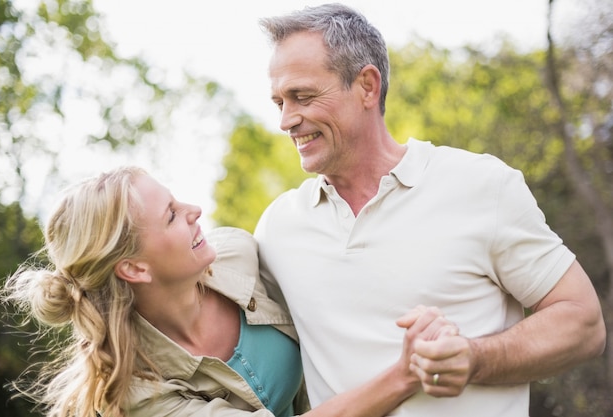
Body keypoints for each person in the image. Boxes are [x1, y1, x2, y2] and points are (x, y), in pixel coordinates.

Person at [254, 3, 607, 416]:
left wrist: (475, 359)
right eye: (279, 101)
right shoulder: (277, 229)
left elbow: (583, 323)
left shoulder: (480, 185)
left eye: (303, 96)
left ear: (367, 85)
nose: (286, 120)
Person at [0, 166, 457, 417]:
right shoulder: (138, 392)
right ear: (134, 268)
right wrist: (404, 374)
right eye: (172, 215)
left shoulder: (237, 253)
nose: (195, 211)